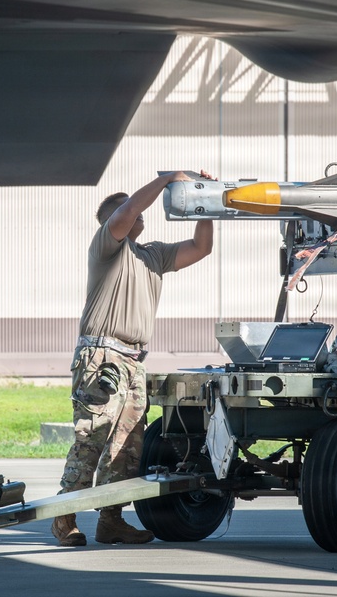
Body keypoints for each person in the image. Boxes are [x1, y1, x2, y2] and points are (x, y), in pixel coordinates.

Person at [52, 171, 214, 547]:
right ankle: (64, 519)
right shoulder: (108, 248)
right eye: (130, 212)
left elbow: (200, 247)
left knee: (127, 446)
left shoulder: (153, 255)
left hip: (133, 361)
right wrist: (167, 180)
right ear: (114, 220)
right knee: (91, 438)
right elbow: (127, 210)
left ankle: (111, 520)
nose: (140, 215)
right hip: (102, 356)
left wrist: (207, 200)